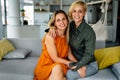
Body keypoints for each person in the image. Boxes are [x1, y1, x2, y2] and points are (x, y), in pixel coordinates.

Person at [46, 0, 98, 80]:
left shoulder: (89, 31)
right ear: (71, 12)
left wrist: (79, 66)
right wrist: (52, 28)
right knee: (57, 71)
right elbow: (59, 28)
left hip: (88, 64)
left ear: (84, 13)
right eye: (74, 11)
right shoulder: (70, 26)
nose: (76, 14)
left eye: (80, 11)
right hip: (73, 61)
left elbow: (89, 54)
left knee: (69, 74)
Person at [34, 10, 77, 80]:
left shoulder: (67, 36)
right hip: (46, 66)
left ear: (67, 21)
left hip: (59, 65)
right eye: (58, 20)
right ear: (55, 23)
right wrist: (69, 63)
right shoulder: (50, 36)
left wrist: (78, 64)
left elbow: (69, 55)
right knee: (58, 69)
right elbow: (55, 58)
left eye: (63, 19)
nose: (62, 22)